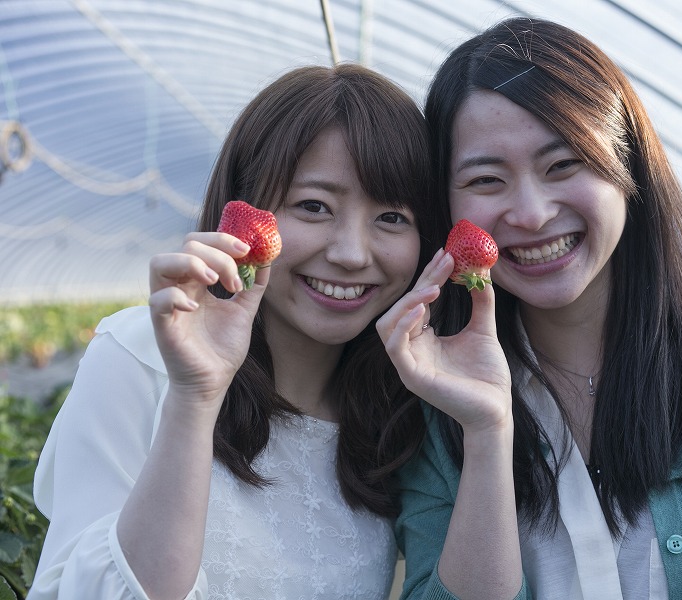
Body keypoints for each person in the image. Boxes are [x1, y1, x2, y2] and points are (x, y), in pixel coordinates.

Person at [377, 17, 682, 600]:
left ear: (627, 167)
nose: (531, 213)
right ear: (447, 203)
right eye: (487, 179)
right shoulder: (433, 409)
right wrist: (486, 430)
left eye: (563, 165)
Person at [30, 63, 434, 599]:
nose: (351, 253)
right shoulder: (143, 357)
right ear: (242, 213)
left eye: (392, 218)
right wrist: (195, 398)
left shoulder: (396, 405)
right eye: (313, 206)